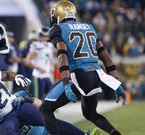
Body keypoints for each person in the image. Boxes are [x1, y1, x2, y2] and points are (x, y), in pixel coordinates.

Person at [40, 1, 126, 135]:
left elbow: (62, 56)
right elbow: (106, 57)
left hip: (78, 75)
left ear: (59, 14)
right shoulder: (89, 27)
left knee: (45, 109)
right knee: (90, 113)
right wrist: (117, 84)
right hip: (96, 75)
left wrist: (67, 83)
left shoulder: (58, 29)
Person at [0, 58, 99, 135]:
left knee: (49, 121)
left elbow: (7, 74)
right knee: (7, 132)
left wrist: (17, 77)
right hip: (4, 118)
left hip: (17, 105)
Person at [24, 27, 55, 99]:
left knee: (51, 95)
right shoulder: (36, 45)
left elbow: (50, 59)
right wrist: (38, 68)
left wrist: (51, 66)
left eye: (46, 36)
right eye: (43, 36)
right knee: (39, 97)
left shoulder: (50, 45)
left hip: (47, 75)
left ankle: (49, 109)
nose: (45, 38)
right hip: (38, 75)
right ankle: (39, 110)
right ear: (39, 36)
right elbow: (27, 61)